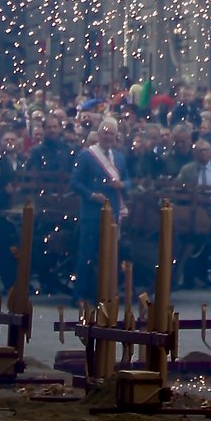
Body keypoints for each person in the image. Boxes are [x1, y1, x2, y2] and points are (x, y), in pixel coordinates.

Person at [71, 117, 128, 293]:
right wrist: (92, 195)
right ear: (99, 133)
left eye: (112, 133)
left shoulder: (119, 157)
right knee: (86, 256)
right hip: (92, 213)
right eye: (105, 132)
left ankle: (105, 293)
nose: (108, 136)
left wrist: (123, 185)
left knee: (110, 256)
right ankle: (80, 295)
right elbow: (75, 182)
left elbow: (128, 180)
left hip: (113, 213)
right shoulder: (86, 155)